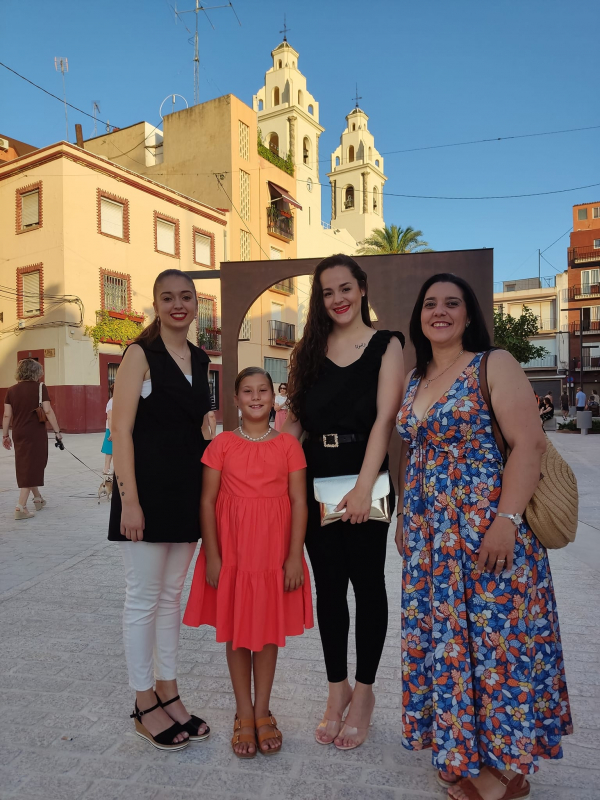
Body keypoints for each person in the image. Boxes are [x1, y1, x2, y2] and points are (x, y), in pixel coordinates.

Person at [395, 273, 572, 800]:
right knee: (450, 646)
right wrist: (405, 514)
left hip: (487, 532)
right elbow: (413, 450)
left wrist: (506, 521)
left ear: (469, 314)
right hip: (432, 541)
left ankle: (507, 772)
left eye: (452, 303)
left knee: (499, 647)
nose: (440, 311)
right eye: (430, 303)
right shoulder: (415, 377)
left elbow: (529, 445)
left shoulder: (493, 364)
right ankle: (464, 751)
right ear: (419, 316)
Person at [284, 254, 405, 750]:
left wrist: (363, 486)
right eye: (328, 292)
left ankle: (365, 693)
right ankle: (337, 691)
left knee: (368, 585)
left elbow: (385, 421)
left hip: (367, 481)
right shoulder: (308, 350)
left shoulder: (387, 344)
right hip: (315, 479)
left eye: (345, 288)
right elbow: (295, 421)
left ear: (362, 289)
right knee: (329, 589)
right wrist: (257, 456)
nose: (338, 299)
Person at [183, 367, 313, 758]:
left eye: (263, 391)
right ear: (236, 399)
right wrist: (213, 555)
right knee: (237, 630)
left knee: (267, 631)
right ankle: (243, 712)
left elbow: (299, 502)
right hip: (234, 553)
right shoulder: (221, 444)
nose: (256, 397)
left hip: (273, 553)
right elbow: (207, 501)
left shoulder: (289, 446)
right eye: (247, 391)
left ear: (274, 398)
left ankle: (262, 711)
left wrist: (294, 556)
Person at [109, 268, 212, 752]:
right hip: (145, 496)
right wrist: (129, 500)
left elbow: (198, 423)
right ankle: (143, 700)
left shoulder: (200, 357)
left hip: (186, 493)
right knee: (143, 598)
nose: (178, 305)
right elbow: (121, 430)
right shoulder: (139, 354)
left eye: (186, 297)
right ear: (155, 304)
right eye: (168, 297)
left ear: (195, 305)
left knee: (171, 597)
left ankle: (169, 690)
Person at [2, 359, 62, 520]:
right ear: (37, 372)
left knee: (27, 464)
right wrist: (57, 431)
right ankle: (20, 507)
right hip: (35, 433)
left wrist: (5, 435)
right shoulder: (40, 387)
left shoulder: (11, 390)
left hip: (18, 432)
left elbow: (7, 415)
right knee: (34, 465)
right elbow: (48, 411)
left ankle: (37, 498)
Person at [101, 385, 114, 480]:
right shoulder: (112, 402)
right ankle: (106, 469)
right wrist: (111, 431)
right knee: (109, 450)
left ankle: (109, 469)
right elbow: (109, 417)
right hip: (111, 429)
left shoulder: (116, 401)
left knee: (112, 450)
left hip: (114, 429)